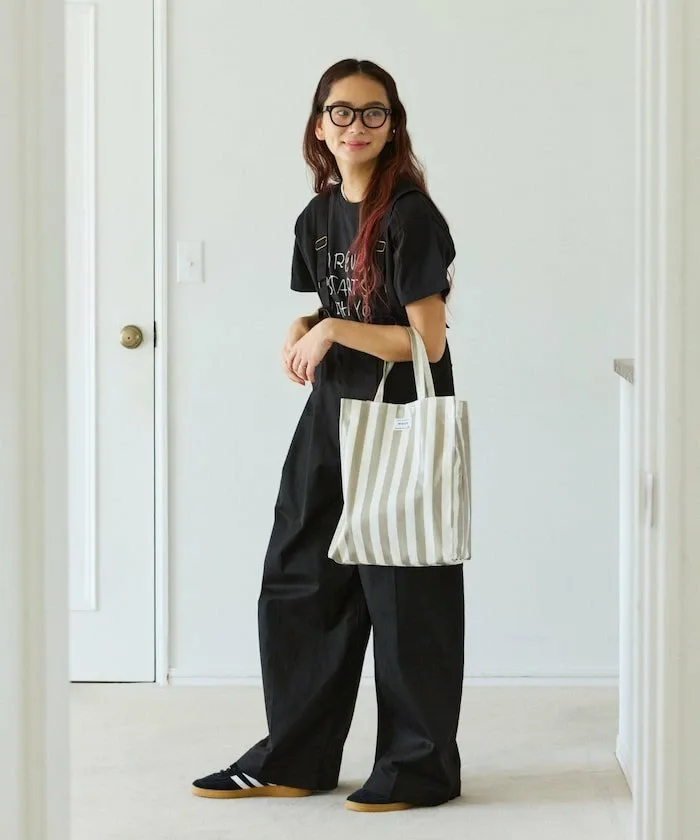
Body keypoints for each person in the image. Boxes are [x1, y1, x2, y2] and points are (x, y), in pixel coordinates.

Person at [192, 58, 465, 814]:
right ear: (319, 125)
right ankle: (296, 755)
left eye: (374, 113)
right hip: (331, 417)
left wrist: (334, 329)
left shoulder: (410, 215)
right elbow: (346, 304)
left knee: (405, 594)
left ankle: (419, 768)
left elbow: (426, 341)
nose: (356, 126)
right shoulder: (316, 217)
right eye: (341, 112)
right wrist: (307, 322)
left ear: (393, 126)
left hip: (400, 421)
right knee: (300, 578)